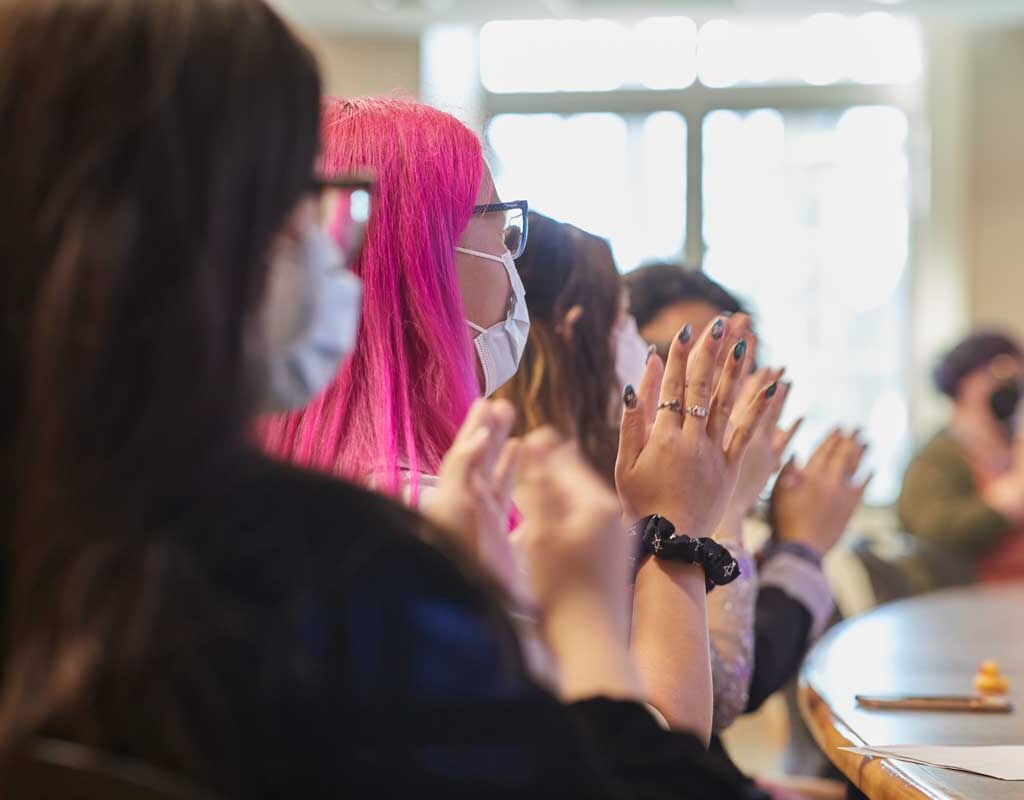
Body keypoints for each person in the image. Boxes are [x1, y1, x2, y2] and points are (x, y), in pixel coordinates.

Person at [0, 1, 768, 797]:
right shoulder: (350, 567)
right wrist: (641, 561)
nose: (325, 242)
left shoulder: (78, 546)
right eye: (298, 203)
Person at [899, 331, 1024, 582]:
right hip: (979, 595)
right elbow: (930, 534)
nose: (1010, 386)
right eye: (998, 374)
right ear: (964, 383)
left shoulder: (1015, 446)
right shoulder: (935, 459)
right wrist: (999, 507)